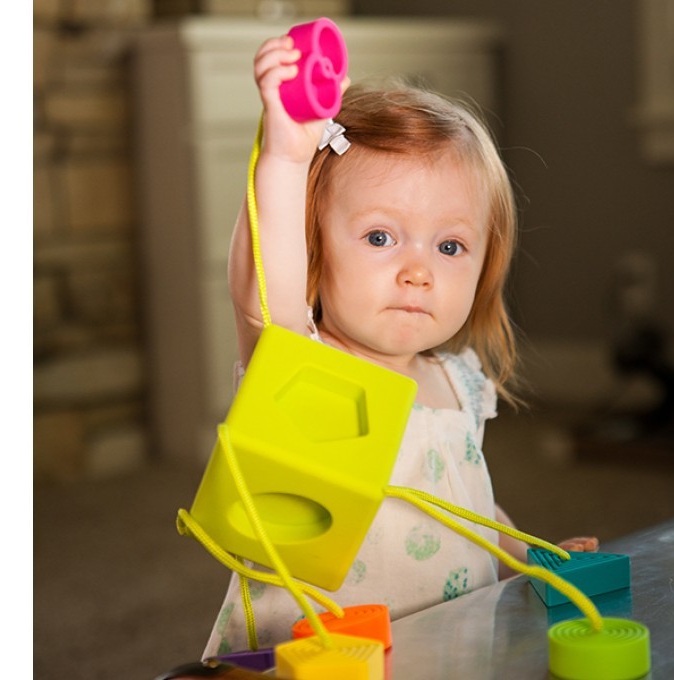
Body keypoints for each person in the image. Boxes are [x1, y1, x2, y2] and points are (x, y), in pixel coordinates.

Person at [204, 34, 598, 657]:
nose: (419, 271)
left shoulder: (459, 382)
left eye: (449, 247)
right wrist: (284, 160)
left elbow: (472, 512)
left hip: (443, 650)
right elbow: (263, 293)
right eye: (382, 237)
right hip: (319, 658)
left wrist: (533, 559)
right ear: (314, 247)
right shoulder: (308, 365)